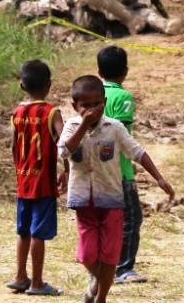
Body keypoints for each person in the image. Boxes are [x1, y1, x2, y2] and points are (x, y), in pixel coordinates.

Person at [58, 75, 175, 303]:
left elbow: (137, 152)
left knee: (110, 256)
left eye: (96, 104)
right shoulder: (71, 127)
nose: (92, 109)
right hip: (84, 201)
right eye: (86, 105)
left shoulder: (115, 128)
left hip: (111, 199)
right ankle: (94, 277)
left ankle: (101, 297)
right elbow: (64, 151)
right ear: (75, 107)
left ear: (104, 101)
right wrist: (83, 125)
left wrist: (159, 179)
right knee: (87, 254)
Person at [5, 59, 65, 296]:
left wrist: (20, 170)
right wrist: (67, 169)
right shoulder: (52, 113)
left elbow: (12, 146)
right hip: (44, 183)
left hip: (23, 180)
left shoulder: (17, 113)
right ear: (49, 85)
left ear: (22, 86)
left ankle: (20, 276)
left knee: (23, 231)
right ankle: (37, 283)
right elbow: (65, 142)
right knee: (39, 232)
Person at [96, 46, 148, 284]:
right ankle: (123, 267)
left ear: (98, 71)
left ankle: (103, 262)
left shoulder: (93, 94)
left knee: (103, 219)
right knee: (130, 218)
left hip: (96, 169)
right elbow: (122, 134)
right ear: (125, 72)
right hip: (120, 169)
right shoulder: (123, 97)